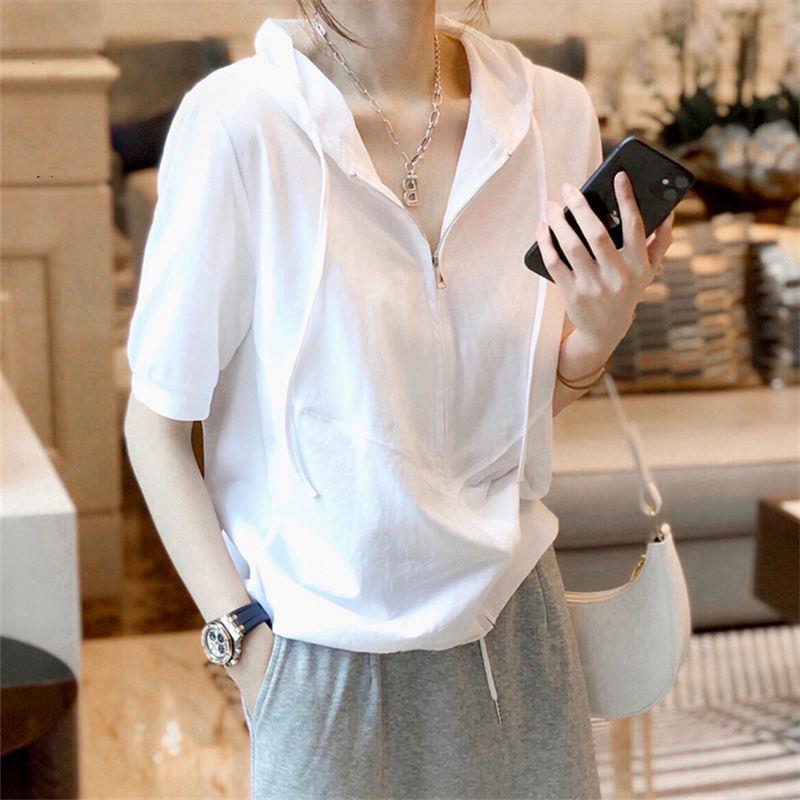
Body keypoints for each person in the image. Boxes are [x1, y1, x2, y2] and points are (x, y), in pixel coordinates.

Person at [124, 1, 674, 798]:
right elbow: (156, 428)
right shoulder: (240, 124)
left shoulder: (551, 115)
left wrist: (598, 332)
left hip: (517, 630)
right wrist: (246, 648)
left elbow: (503, 420)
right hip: (320, 660)